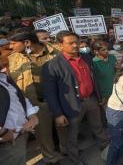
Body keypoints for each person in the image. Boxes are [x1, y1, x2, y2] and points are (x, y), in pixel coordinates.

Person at [42, 31, 109, 165]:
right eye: (70, 43)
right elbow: (50, 93)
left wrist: (99, 96)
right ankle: (75, 160)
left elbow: (93, 79)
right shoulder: (51, 65)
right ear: (60, 45)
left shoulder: (86, 58)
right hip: (71, 105)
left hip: (91, 100)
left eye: (76, 42)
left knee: (98, 126)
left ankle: (107, 147)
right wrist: (58, 114)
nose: (75, 45)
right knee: (72, 136)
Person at [7, 31, 64, 164]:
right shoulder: (13, 58)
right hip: (36, 104)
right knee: (43, 134)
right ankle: (51, 158)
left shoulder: (57, 52)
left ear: (27, 43)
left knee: (63, 128)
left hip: (60, 99)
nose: (10, 47)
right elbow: (13, 83)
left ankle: (67, 151)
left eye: (14, 43)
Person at [0, 68, 39, 164]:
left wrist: (32, 115)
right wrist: (3, 134)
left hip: (19, 136)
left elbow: (20, 97)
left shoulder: (4, 77)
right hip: (6, 143)